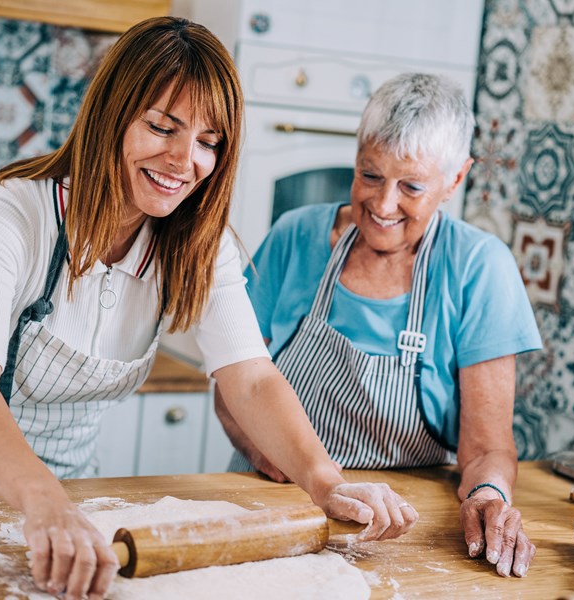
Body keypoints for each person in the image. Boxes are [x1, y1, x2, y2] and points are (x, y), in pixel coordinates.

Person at [0, 17, 417, 600]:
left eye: (208, 142)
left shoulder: (201, 246)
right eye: (162, 127)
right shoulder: (9, 213)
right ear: (112, 114)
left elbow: (251, 379)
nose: (185, 161)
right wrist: (43, 500)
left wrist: (323, 480)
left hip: (67, 488)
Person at [215, 72, 542, 578]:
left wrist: (488, 494)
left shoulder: (480, 268)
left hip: (398, 530)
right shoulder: (294, 236)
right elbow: (235, 387)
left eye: (411, 186)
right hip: (274, 501)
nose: (383, 204)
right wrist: (272, 458)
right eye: (370, 175)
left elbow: (488, 448)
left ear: (455, 180)